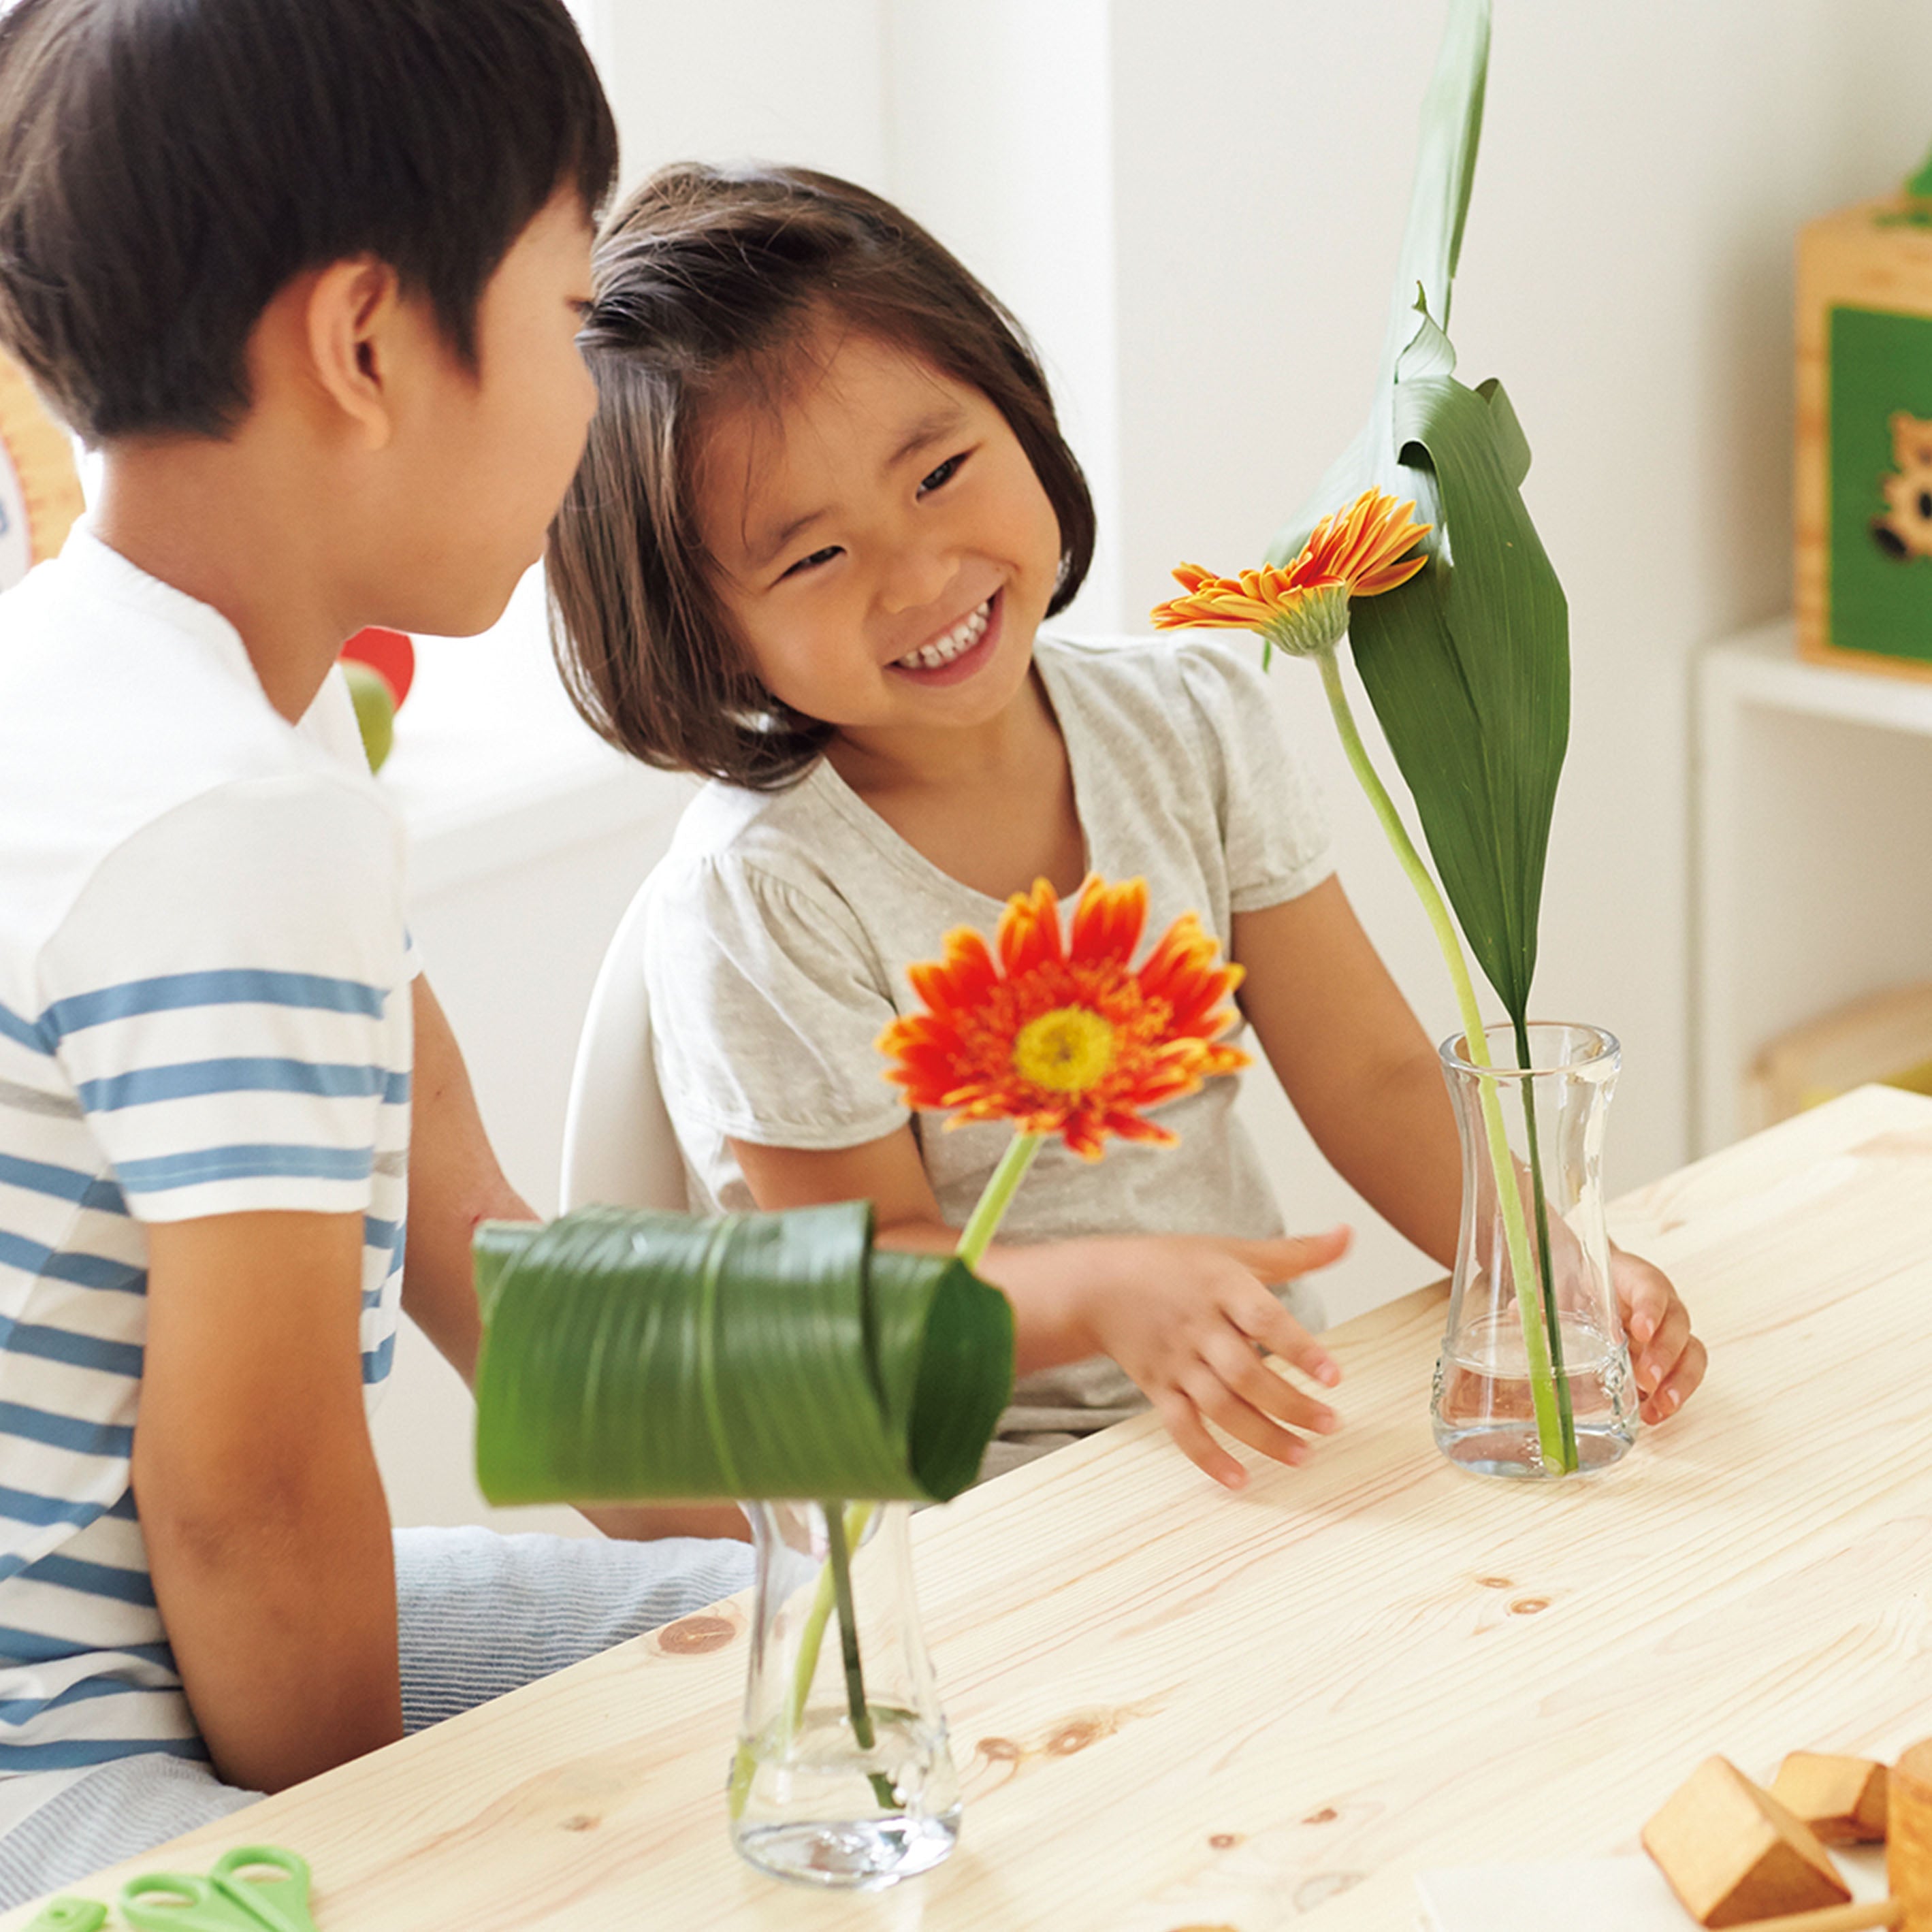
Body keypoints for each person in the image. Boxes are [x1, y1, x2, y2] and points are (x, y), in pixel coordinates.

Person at [546, 162, 1707, 1487]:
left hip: (1256, 1438)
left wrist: (1552, 1264)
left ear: (1019, 414)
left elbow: (1375, 1078)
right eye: (814, 557)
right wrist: (1102, 1292)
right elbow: (868, 1292)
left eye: (938, 472)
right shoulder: (763, 897)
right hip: (961, 1521)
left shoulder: (1191, 719)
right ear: (698, 625)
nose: (919, 575)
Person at [0, 0, 752, 1901]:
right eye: (573, 316)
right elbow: (247, 1511)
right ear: (363, 343)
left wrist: (828, 1554)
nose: (592, 399)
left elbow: (469, 1234)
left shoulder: (213, 709)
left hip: (125, 1626)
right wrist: (410, 1859)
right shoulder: (228, 822)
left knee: (779, 1624)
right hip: (54, 1733)